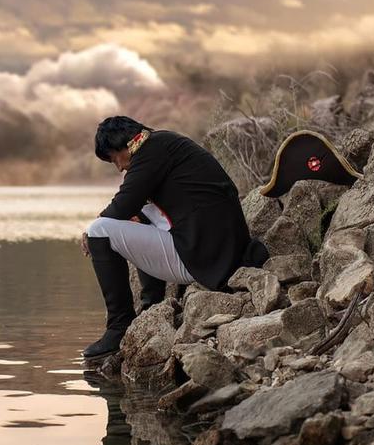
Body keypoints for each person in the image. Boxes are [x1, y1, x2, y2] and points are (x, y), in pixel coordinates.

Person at [81, 116, 268, 360]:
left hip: (205, 259)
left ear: (125, 143)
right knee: (138, 216)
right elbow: (132, 206)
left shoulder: (150, 152)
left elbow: (121, 205)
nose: (119, 167)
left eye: (115, 158)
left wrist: (88, 234)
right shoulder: (164, 144)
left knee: (99, 231)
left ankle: (118, 327)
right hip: (221, 251)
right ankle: (151, 303)